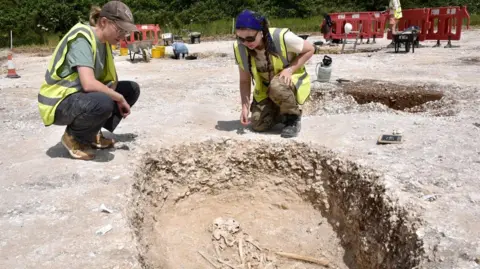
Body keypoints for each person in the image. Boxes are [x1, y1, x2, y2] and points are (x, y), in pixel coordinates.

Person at [37, 0, 141, 160]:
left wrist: (119, 95)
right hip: (58, 103)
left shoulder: (104, 43)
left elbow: (109, 81)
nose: (123, 36)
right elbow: (89, 83)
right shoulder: (82, 38)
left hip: (80, 98)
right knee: (105, 101)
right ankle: (74, 138)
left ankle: (93, 134)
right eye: (120, 30)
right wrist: (118, 98)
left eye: (125, 32)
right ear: (104, 22)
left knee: (131, 90)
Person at [233, 10, 314, 138]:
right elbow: (244, 80)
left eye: (250, 38)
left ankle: (292, 117)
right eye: (240, 39)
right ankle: (280, 113)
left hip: (287, 82)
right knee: (258, 124)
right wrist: (244, 106)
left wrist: (289, 70)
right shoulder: (240, 49)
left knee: (277, 85)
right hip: (267, 89)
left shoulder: (281, 37)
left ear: (261, 32)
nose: (246, 43)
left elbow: (310, 49)